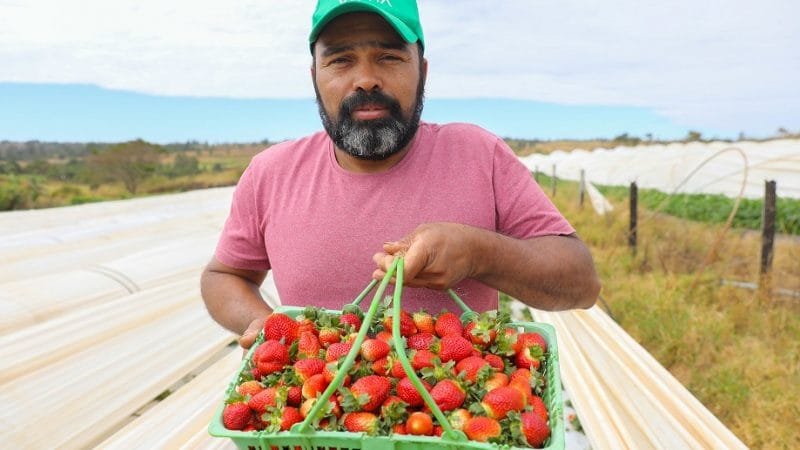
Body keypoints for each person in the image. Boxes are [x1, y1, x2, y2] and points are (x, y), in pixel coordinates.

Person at [201, 0, 601, 349]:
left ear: (422, 71)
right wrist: (267, 324)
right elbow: (223, 276)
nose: (366, 79)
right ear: (314, 77)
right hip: (315, 422)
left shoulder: (480, 155)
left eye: (389, 57)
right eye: (340, 60)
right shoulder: (271, 174)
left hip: (451, 423)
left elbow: (581, 283)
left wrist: (479, 253)